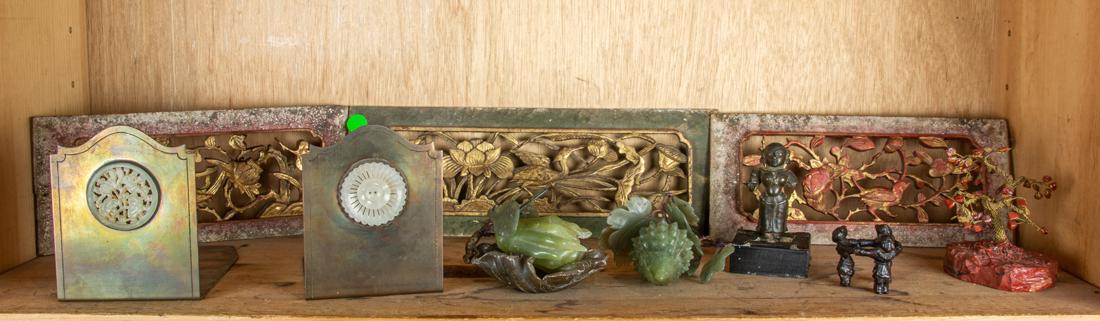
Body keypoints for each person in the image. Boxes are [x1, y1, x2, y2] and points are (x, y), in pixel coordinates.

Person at [746, 143, 798, 242]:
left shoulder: (787, 173)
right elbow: (753, 184)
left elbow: (793, 183)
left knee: (780, 218)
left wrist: (789, 193)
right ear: (764, 157)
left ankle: (778, 235)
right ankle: (766, 235)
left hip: (781, 199)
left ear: (785, 157)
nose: (775, 157)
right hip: (766, 199)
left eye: (779, 155)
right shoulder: (760, 172)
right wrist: (752, 185)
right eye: (771, 154)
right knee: (766, 218)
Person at [853, 224, 902, 294]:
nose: (888, 245)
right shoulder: (893, 252)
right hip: (887, 271)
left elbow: (864, 252)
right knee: (886, 281)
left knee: (879, 282)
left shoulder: (876, 252)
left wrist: (855, 250)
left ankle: (879, 290)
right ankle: (885, 289)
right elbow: (899, 247)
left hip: (879, 270)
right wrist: (896, 242)